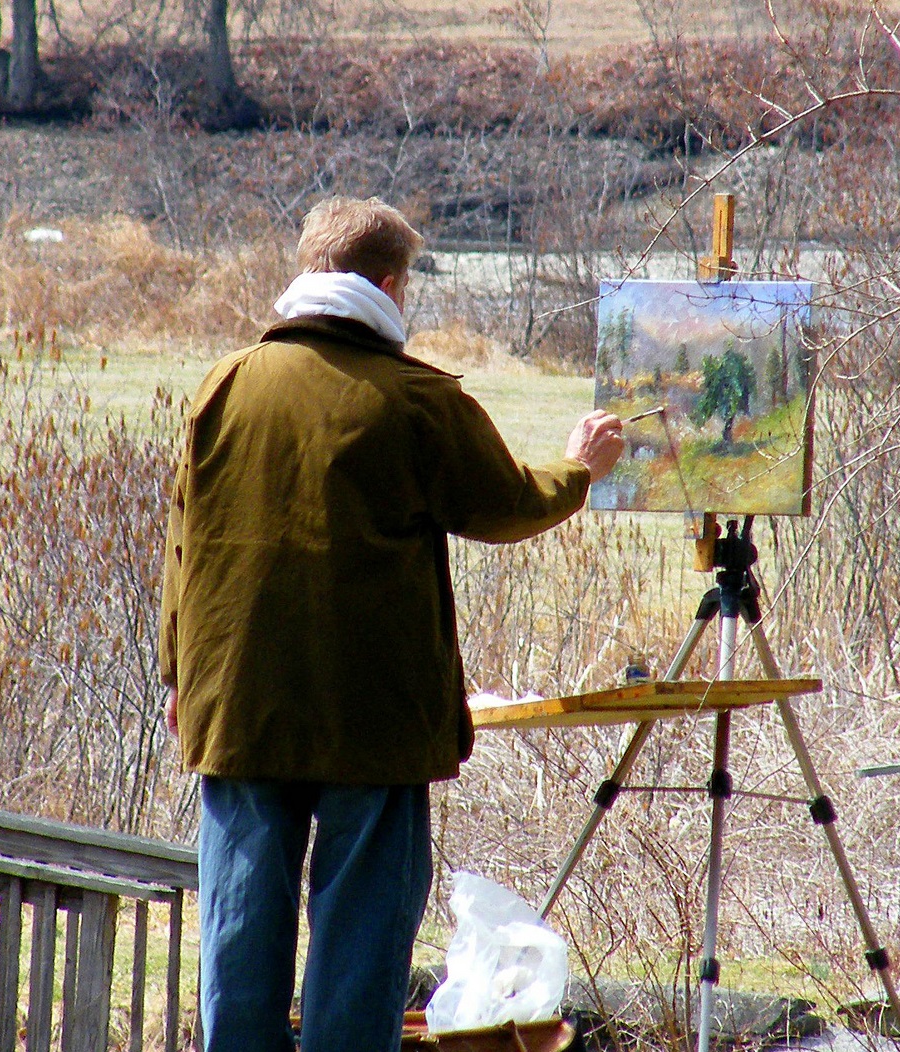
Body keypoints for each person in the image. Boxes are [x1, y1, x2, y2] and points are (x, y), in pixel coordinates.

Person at [157, 196, 624, 1052]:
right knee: (361, 936)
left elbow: (182, 550)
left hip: (235, 702)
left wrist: (180, 681)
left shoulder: (221, 385)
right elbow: (507, 505)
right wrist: (578, 467)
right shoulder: (414, 398)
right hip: (371, 717)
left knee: (238, 925)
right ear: (387, 283)